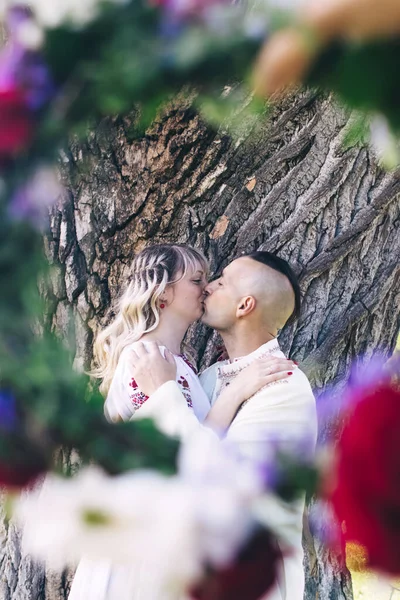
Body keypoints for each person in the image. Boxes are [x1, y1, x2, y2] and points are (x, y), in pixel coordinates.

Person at [68, 244, 294, 600]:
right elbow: (174, 458)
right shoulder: (140, 360)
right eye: (196, 280)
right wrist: (238, 391)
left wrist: (238, 388)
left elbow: (200, 438)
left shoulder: (181, 369)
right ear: (162, 295)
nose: (206, 288)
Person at [129, 251, 318, 600]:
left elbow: (227, 489)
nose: (209, 287)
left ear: (245, 305)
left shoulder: (285, 387)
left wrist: (163, 395)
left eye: (221, 281)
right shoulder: (207, 378)